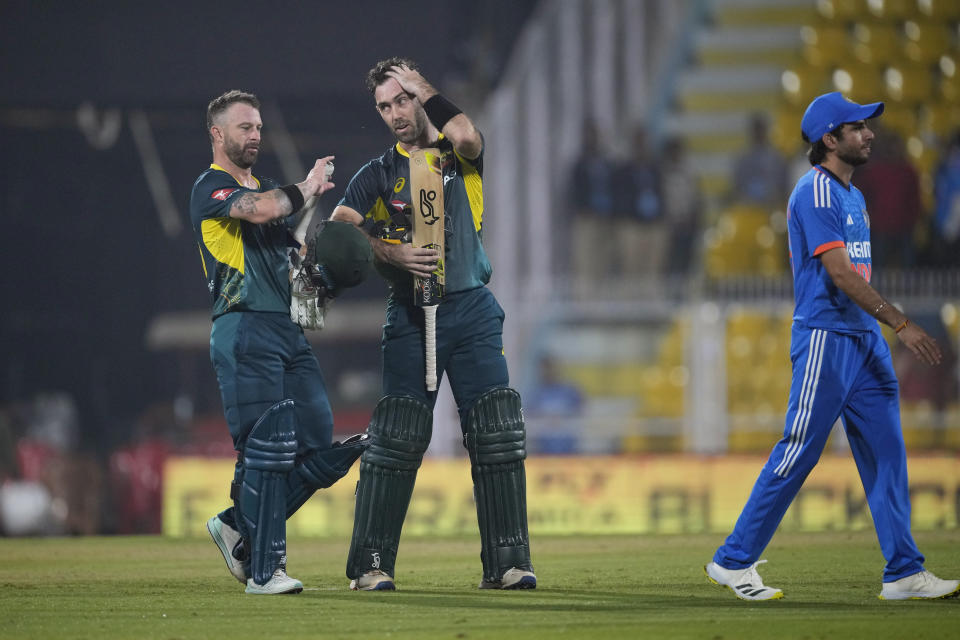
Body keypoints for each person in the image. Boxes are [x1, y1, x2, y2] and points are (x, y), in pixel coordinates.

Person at [704, 91, 960, 602]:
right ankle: (733, 561)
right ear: (830, 138)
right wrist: (900, 322)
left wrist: (881, 328)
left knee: (887, 453)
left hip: (863, 340)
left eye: (867, 126)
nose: (870, 134)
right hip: (827, 337)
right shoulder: (814, 192)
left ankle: (904, 572)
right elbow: (840, 273)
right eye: (858, 127)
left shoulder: (852, 195)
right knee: (799, 449)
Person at [330, 58, 536, 591]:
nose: (396, 113)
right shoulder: (376, 173)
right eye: (384, 106)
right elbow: (339, 234)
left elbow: (467, 134)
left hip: (470, 309)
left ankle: (508, 564)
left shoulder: (456, 155)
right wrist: (392, 253)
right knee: (396, 439)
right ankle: (370, 566)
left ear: (420, 97)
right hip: (409, 315)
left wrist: (426, 87)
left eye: (403, 100)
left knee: (495, 432)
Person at [189, 90, 371, 595]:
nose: (255, 136)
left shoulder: (269, 191)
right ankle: (265, 572)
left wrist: (326, 243)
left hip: (287, 330)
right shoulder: (211, 187)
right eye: (245, 127)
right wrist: (306, 186)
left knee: (317, 446)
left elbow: (292, 247)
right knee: (266, 450)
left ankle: (234, 524)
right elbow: (263, 209)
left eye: (259, 127)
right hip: (243, 325)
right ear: (217, 134)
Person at [732, 112, 789, 212]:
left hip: (771, 211)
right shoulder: (742, 159)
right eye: (755, 130)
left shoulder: (776, 159)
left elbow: (783, 188)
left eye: (760, 130)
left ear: (765, 131)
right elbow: (737, 188)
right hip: (748, 211)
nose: (757, 134)